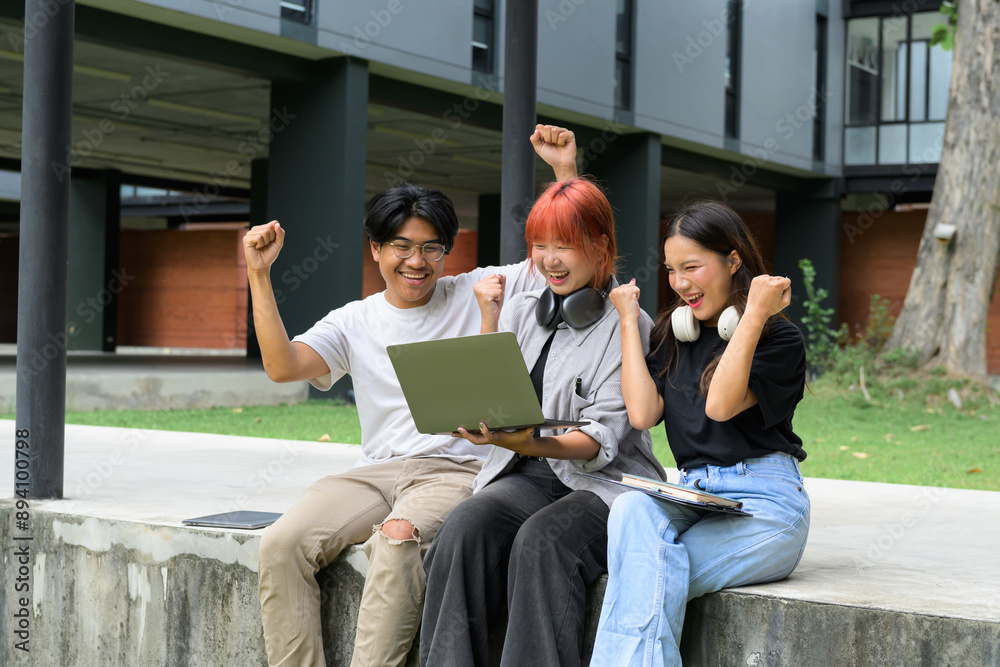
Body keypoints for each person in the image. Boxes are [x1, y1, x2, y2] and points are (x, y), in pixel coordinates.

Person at [250, 126, 578, 667]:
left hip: (453, 471)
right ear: (376, 249)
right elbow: (283, 366)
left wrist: (564, 172)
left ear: (447, 250)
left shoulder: (480, 287)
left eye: (431, 248)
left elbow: (558, 260)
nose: (416, 262)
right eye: (401, 247)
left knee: (397, 539)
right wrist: (259, 276)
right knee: (281, 545)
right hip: (374, 473)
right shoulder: (354, 320)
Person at [419, 177, 667, 667]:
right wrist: (472, 415)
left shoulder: (629, 324)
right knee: (465, 526)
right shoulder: (521, 310)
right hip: (526, 476)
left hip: (604, 487)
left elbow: (600, 442)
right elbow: (493, 393)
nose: (549, 259)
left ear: (600, 247)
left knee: (543, 541)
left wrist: (530, 444)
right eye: (539, 246)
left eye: (564, 246)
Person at [590, 200, 810, 666]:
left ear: (733, 261)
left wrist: (751, 317)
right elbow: (643, 412)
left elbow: (721, 404)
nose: (680, 283)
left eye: (692, 267)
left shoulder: (780, 339)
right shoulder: (675, 334)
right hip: (692, 497)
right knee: (632, 508)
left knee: (645, 576)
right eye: (671, 270)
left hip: (766, 508)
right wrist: (630, 321)